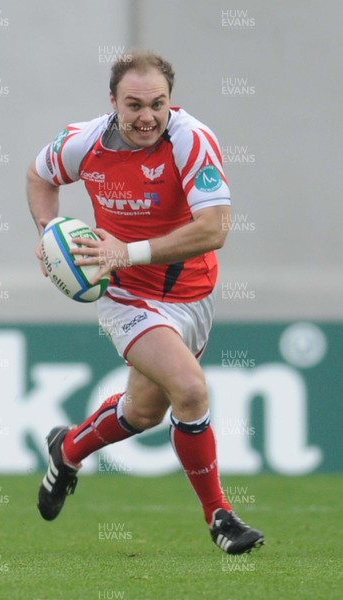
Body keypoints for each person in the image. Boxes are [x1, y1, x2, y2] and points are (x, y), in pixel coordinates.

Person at [27, 50, 264, 555]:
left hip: (192, 296)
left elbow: (215, 228)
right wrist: (50, 233)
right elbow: (39, 175)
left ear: (170, 103)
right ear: (112, 101)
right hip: (126, 294)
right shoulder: (84, 143)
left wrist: (125, 249)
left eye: (157, 104)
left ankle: (66, 451)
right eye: (133, 104)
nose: (146, 116)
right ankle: (220, 516)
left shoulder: (192, 141)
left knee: (142, 412)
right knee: (191, 390)